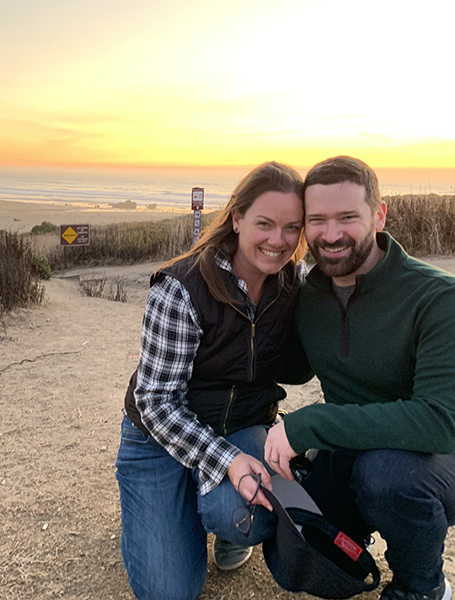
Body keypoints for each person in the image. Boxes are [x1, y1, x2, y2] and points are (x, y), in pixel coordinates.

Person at [265, 156, 455, 600]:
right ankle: (362, 531)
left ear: (379, 214)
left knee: (387, 477)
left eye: (347, 217)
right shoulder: (309, 294)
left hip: (452, 457)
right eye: (316, 220)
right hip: (352, 451)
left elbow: (440, 425)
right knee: (293, 565)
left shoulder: (441, 297)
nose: (330, 235)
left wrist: (309, 424)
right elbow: (290, 367)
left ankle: (423, 585)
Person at [115, 161, 311, 600]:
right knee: (171, 591)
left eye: (291, 228)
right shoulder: (181, 288)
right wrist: (226, 461)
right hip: (159, 436)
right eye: (264, 223)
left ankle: (223, 525)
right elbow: (155, 403)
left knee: (244, 516)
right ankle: (161, 505)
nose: (277, 241)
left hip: (241, 424)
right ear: (237, 217)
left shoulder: (294, 283)